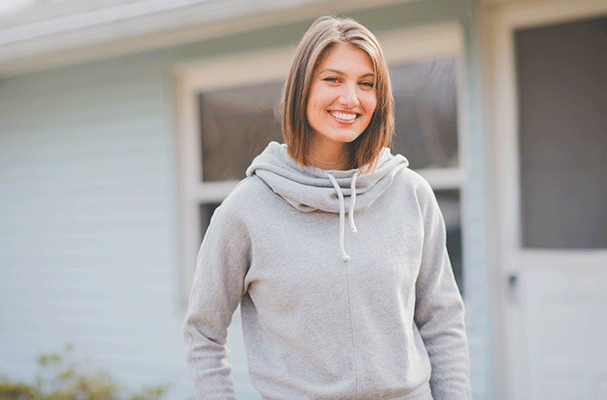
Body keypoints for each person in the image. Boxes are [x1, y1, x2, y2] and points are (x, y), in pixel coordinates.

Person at [183, 16, 471, 400]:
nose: (350, 98)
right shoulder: (246, 209)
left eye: (366, 84)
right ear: (302, 88)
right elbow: (203, 333)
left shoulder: (412, 196)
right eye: (333, 79)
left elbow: (443, 322)